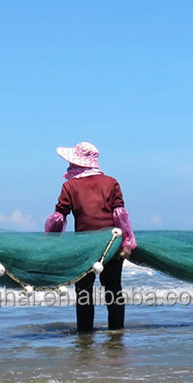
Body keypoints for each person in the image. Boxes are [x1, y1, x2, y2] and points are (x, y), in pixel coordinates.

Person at [44, 141, 136, 332]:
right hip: (111, 243)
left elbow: (59, 217)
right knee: (113, 289)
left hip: (83, 246)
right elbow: (120, 214)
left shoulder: (70, 186)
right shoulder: (111, 183)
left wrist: (49, 240)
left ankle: (85, 336)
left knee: (83, 291)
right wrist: (127, 242)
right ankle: (116, 334)